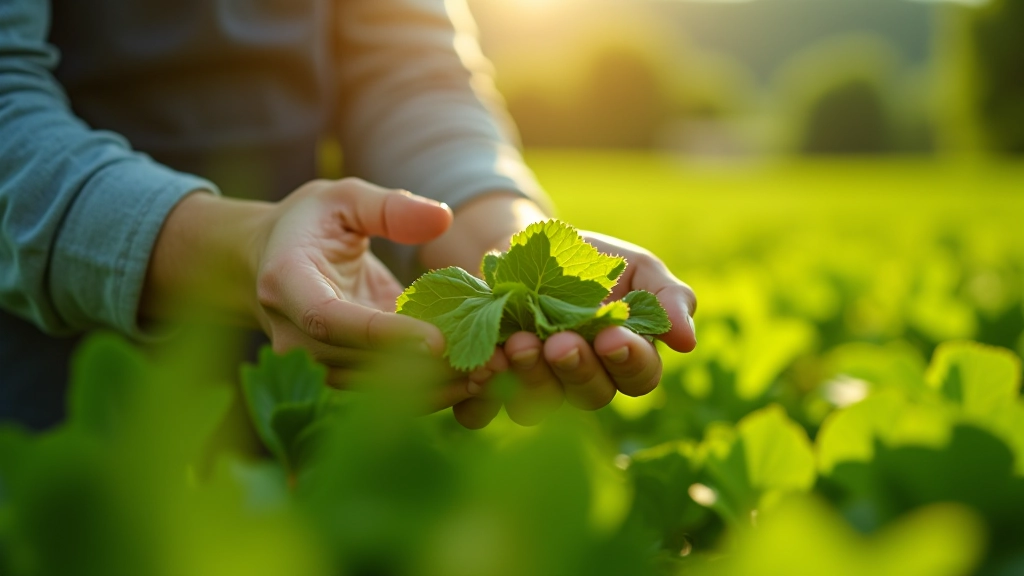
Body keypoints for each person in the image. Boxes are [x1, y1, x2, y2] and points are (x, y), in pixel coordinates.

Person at [0, 0, 696, 431]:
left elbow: (407, 68)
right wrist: (243, 250)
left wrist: (504, 239)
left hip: (311, 360)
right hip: (48, 373)